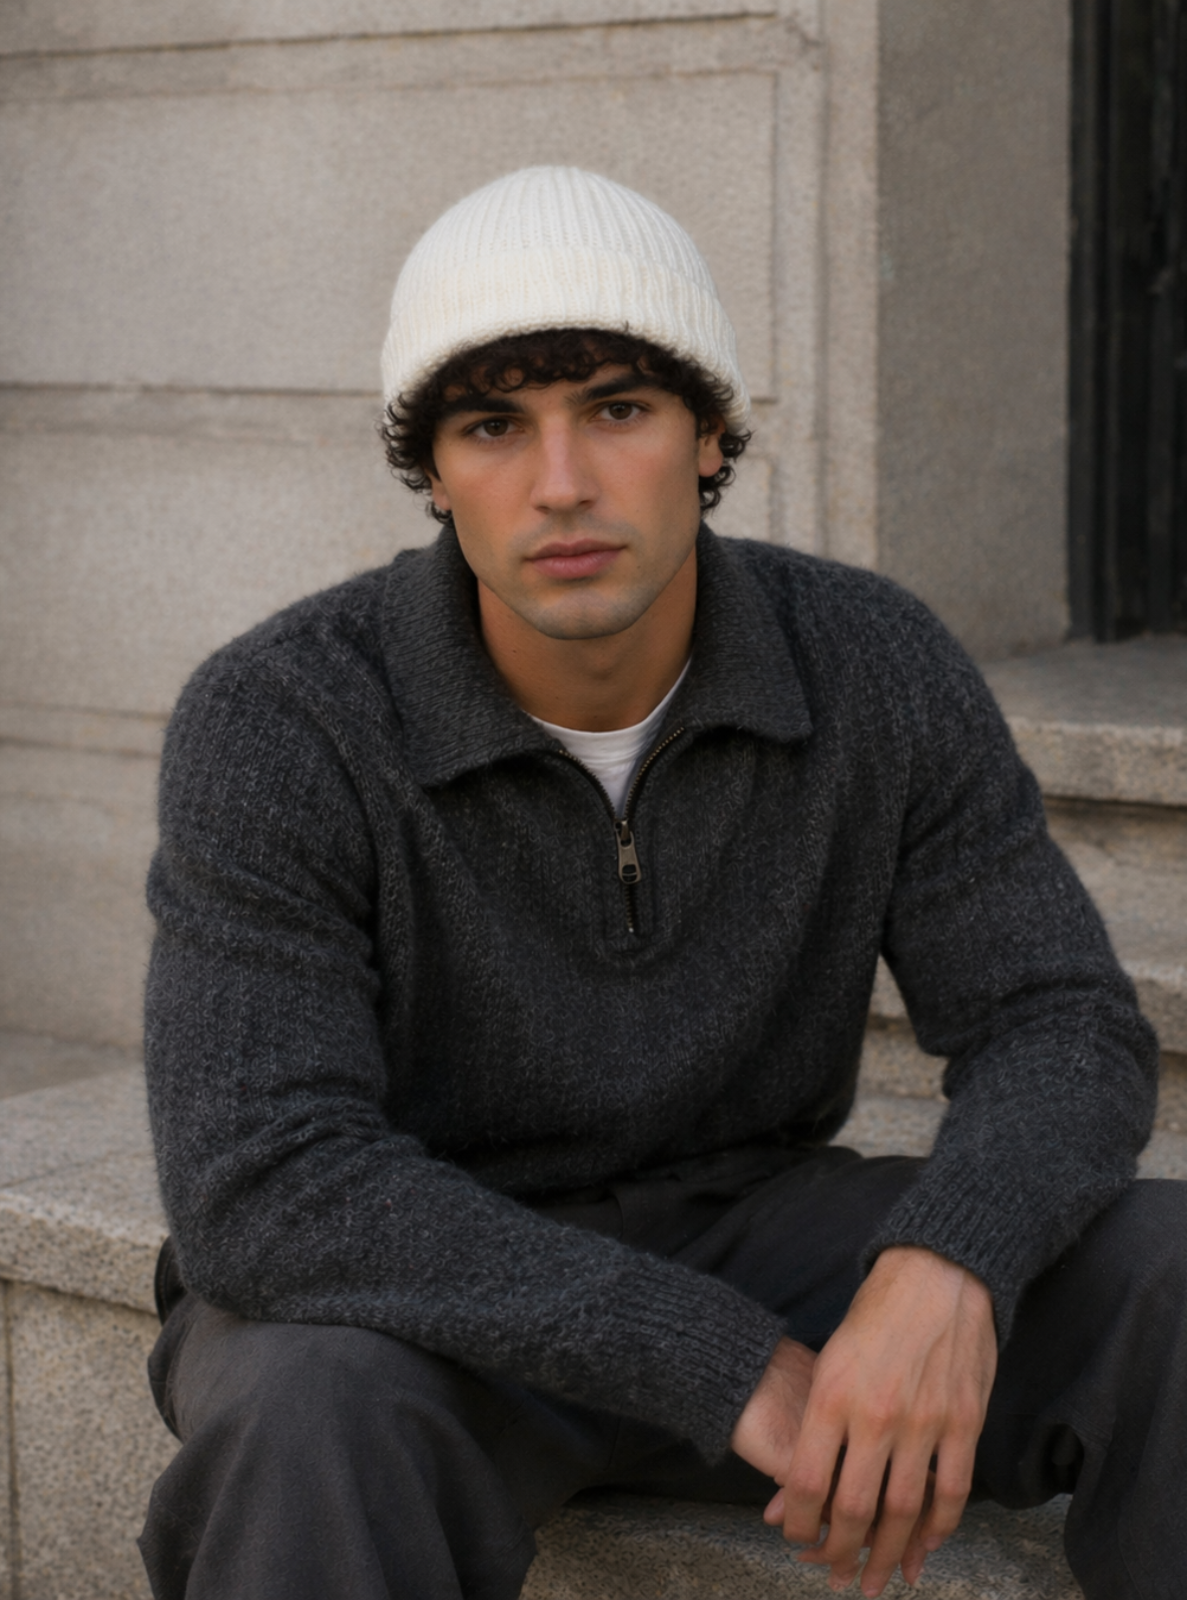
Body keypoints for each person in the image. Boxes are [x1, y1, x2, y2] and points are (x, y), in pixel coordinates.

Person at [138, 167, 1184, 1600]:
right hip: (416, 1295)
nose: (560, 483)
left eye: (618, 409)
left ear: (707, 437)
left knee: (1174, 1271)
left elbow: (1059, 1021)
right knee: (306, 1410)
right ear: (432, 471)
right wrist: (720, 1361)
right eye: (493, 425)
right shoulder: (284, 716)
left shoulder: (869, 660)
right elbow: (262, 1185)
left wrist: (946, 1261)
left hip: (755, 1224)